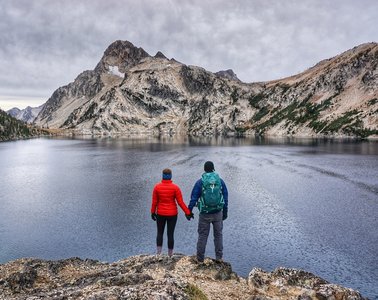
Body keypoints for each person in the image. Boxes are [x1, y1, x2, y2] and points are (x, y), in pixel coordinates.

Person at [188, 161, 228, 262]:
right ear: (213, 169)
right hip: (218, 212)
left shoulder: (200, 182)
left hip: (204, 213)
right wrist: (225, 211)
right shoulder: (220, 181)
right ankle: (219, 258)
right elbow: (225, 196)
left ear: (205, 169)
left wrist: (189, 211)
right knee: (218, 235)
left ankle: (200, 259)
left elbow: (193, 197)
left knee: (202, 236)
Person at [151, 168, 193, 257]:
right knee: (170, 234)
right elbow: (180, 202)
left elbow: (154, 202)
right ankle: (170, 255)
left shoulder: (157, 187)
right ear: (170, 176)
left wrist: (152, 212)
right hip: (172, 214)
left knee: (159, 233)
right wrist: (188, 212)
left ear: (162, 176)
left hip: (160, 213)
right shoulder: (175, 188)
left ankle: (158, 253)